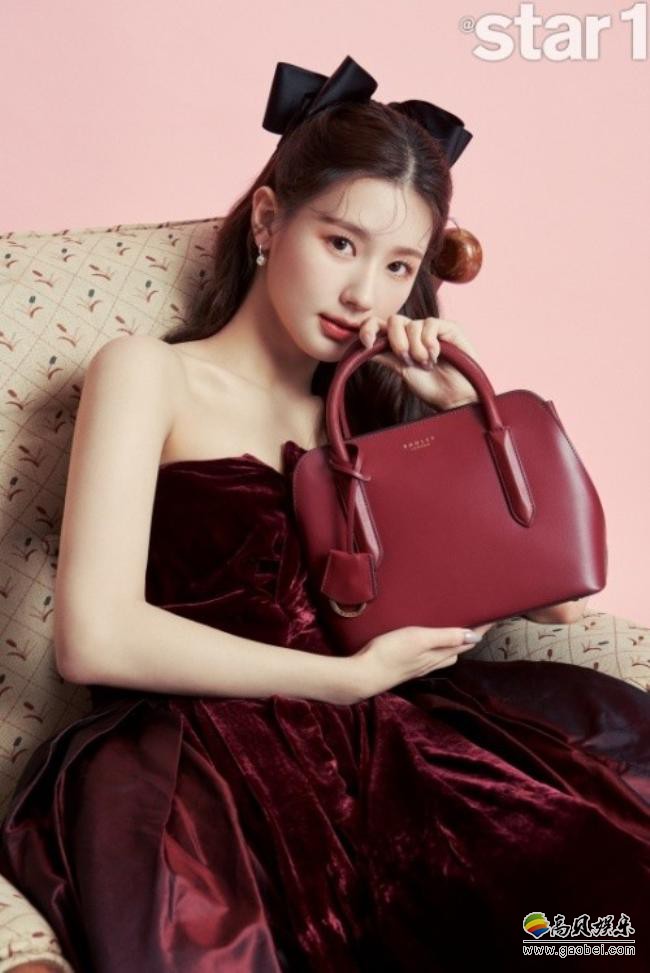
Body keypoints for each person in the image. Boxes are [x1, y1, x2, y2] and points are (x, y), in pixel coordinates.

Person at [0, 55, 648, 973]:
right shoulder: (150, 372)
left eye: (398, 267)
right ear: (269, 220)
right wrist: (344, 681)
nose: (363, 295)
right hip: (199, 765)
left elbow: (561, 601)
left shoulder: (377, 417)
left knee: (592, 917)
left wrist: (461, 410)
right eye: (341, 244)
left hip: (389, 748)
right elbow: (94, 638)